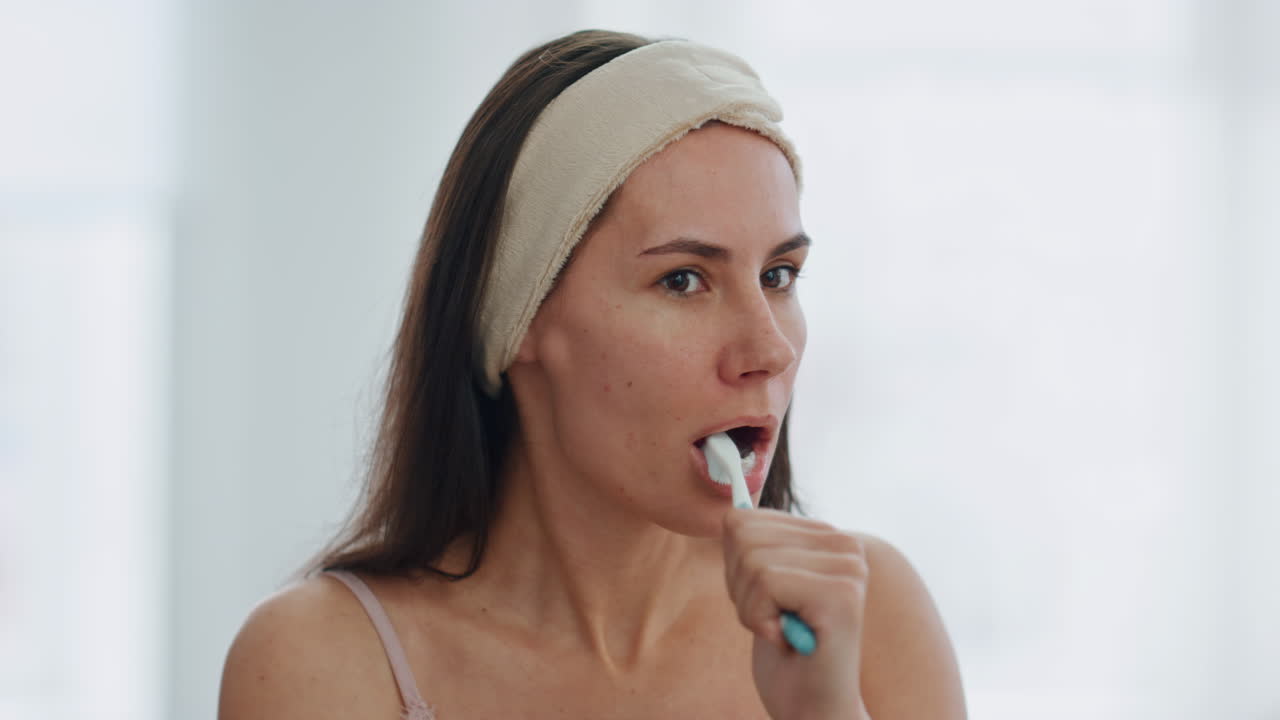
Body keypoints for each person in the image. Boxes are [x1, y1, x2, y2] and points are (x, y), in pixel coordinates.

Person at [218, 29, 966, 719]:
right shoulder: (322, 661)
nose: (768, 349)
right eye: (683, 280)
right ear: (521, 316)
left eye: (778, 274)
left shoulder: (870, 618)